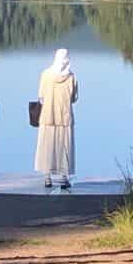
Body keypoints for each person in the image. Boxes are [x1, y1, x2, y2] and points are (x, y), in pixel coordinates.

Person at [34, 48, 78, 189]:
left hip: (48, 116)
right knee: (64, 147)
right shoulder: (71, 77)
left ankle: (47, 178)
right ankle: (64, 178)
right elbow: (74, 98)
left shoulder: (45, 75)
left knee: (47, 146)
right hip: (65, 117)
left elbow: (41, 96)